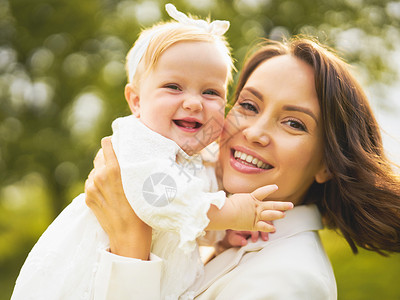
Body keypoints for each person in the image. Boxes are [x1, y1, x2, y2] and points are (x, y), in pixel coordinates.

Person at [11, 4, 294, 300]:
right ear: (135, 101)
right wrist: (232, 214)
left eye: (211, 92)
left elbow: (186, 220)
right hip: (90, 280)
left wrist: (221, 235)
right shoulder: (139, 140)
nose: (194, 103)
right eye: (174, 87)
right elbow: (158, 200)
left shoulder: (201, 154)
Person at [84, 36, 400, 299]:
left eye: (293, 123)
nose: (254, 133)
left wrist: (130, 246)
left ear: (327, 165)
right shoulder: (224, 235)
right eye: (248, 106)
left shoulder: (288, 281)